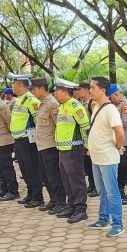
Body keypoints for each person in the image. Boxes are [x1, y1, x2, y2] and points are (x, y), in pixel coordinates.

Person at [87, 77, 126, 237]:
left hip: (107, 157)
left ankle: (118, 224)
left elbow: (120, 132)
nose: (90, 90)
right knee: (102, 190)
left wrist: (118, 146)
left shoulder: (110, 109)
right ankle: (103, 219)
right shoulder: (96, 107)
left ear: (102, 90)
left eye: (92, 87)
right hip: (96, 157)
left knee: (112, 192)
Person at [54, 78, 91, 223]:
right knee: (66, 179)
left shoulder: (76, 107)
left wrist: (87, 147)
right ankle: (71, 205)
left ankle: (81, 209)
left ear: (65, 92)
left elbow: (85, 128)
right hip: (63, 149)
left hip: (74, 149)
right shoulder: (62, 106)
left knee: (76, 179)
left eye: (57, 92)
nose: (55, 94)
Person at [32, 78, 68, 216]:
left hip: (51, 146)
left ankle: (61, 202)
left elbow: (58, 125)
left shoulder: (52, 104)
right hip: (41, 145)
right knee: (46, 175)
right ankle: (53, 200)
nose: (33, 92)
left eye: (34, 89)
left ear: (41, 89)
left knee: (54, 176)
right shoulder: (42, 104)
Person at [9, 75, 45, 207]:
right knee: (24, 169)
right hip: (18, 139)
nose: (13, 87)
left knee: (32, 169)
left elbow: (38, 120)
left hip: (28, 140)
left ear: (20, 85)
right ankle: (30, 194)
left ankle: (38, 197)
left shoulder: (31, 100)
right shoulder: (19, 100)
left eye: (14, 84)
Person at [109, 85, 127, 204]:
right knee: (119, 168)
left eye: (110, 98)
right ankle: (120, 191)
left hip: (126, 142)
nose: (110, 100)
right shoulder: (113, 105)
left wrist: (111, 123)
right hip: (116, 142)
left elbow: (126, 123)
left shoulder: (126, 105)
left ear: (116, 95)